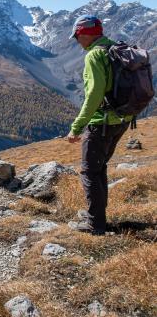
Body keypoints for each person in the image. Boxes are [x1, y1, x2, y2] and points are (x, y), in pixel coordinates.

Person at [66, 15, 133, 235]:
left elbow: (94, 94)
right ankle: (98, 216)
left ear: (84, 34)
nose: (77, 42)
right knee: (99, 168)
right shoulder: (115, 49)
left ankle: (95, 224)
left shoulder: (95, 55)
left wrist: (77, 127)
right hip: (121, 121)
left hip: (102, 123)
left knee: (89, 171)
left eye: (77, 37)